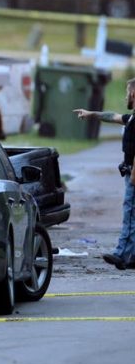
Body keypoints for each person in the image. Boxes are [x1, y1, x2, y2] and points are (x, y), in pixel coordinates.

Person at [73, 78, 135, 270]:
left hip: (134, 174)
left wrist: (134, 174)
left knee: (130, 214)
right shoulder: (131, 118)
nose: (125, 95)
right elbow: (112, 116)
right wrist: (91, 113)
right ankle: (132, 257)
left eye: (127, 91)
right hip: (130, 171)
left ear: (134, 94)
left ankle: (121, 254)